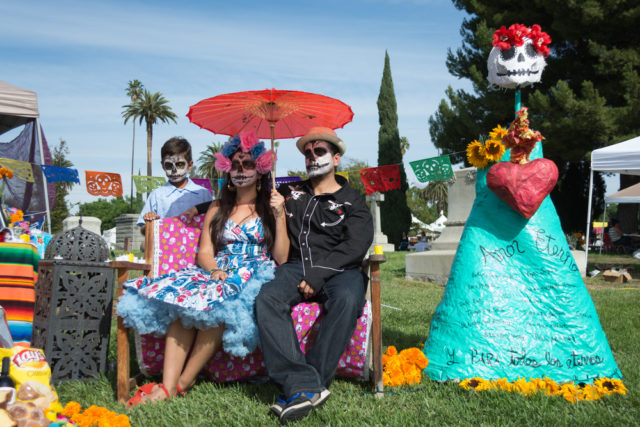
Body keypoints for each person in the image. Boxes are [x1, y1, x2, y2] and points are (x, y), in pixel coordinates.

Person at [117, 131, 288, 405]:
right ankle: (167, 385)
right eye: (235, 165)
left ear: (260, 169)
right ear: (226, 169)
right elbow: (205, 252)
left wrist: (279, 215)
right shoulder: (218, 207)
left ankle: (183, 382)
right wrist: (213, 271)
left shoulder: (272, 207)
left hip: (254, 272)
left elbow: (281, 256)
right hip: (217, 269)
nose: (241, 170)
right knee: (184, 303)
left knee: (219, 306)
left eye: (247, 164)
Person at [254, 127, 373, 423]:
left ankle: (306, 386)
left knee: (347, 298)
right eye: (307, 153)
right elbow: (245, 198)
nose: (311, 157)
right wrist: (198, 209)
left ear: (336, 159)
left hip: (340, 270)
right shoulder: (289, 193)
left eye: (318, 152)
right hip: (295, 267)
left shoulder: (352, 201)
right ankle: (306, 385)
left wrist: (319, 275)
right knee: (267, 298)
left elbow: (357, 244)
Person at [137, 137, 212, 233]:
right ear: (163, 166)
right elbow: (143, 230)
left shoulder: (203, 194)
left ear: (190, 165)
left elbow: (213, 223)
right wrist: (150, 222)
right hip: (164, 247)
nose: (174, 170)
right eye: (169, 165)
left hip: (197, 246)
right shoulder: (156, 195)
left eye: (180, 164)